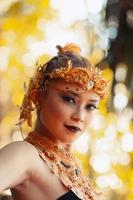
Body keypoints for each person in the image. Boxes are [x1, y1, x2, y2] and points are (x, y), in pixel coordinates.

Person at [0, 43, 109, 200]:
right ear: (38, 97)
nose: (80, 116)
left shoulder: (73, 168)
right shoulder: (24, 154)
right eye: (69, 99)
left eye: (90, 106)